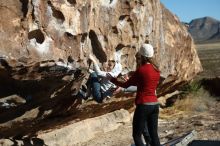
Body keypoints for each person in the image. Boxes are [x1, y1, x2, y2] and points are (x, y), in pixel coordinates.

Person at [110, 43, 161, 146]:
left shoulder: (141, 70)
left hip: (143, 105)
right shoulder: (157, 70)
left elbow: (126, 85)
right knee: (154, 135)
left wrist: (112, 80)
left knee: (137, 135)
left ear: (142, 56)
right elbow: (145, 83)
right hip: (155, 104)